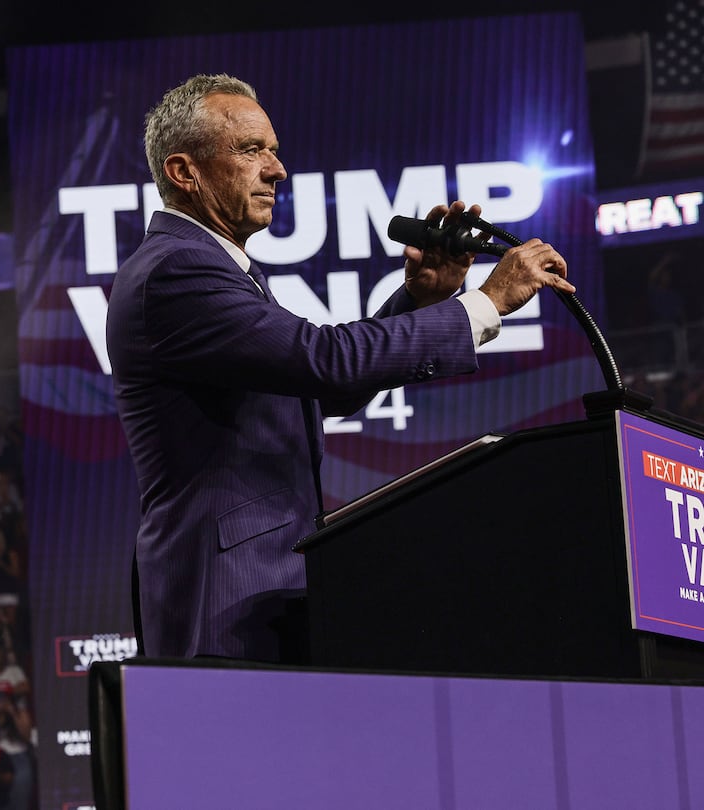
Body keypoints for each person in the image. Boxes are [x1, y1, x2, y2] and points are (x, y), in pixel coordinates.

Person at [105, 73, 574, 661]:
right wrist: (485, 301)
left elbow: (311, 393)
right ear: (184, 172)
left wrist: (422, 298)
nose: (276, 170)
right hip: (222, 593)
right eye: (251, 150)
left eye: (273, 151)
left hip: (265, 586)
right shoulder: (177, 272)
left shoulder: (216, 267)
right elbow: (324, 362)